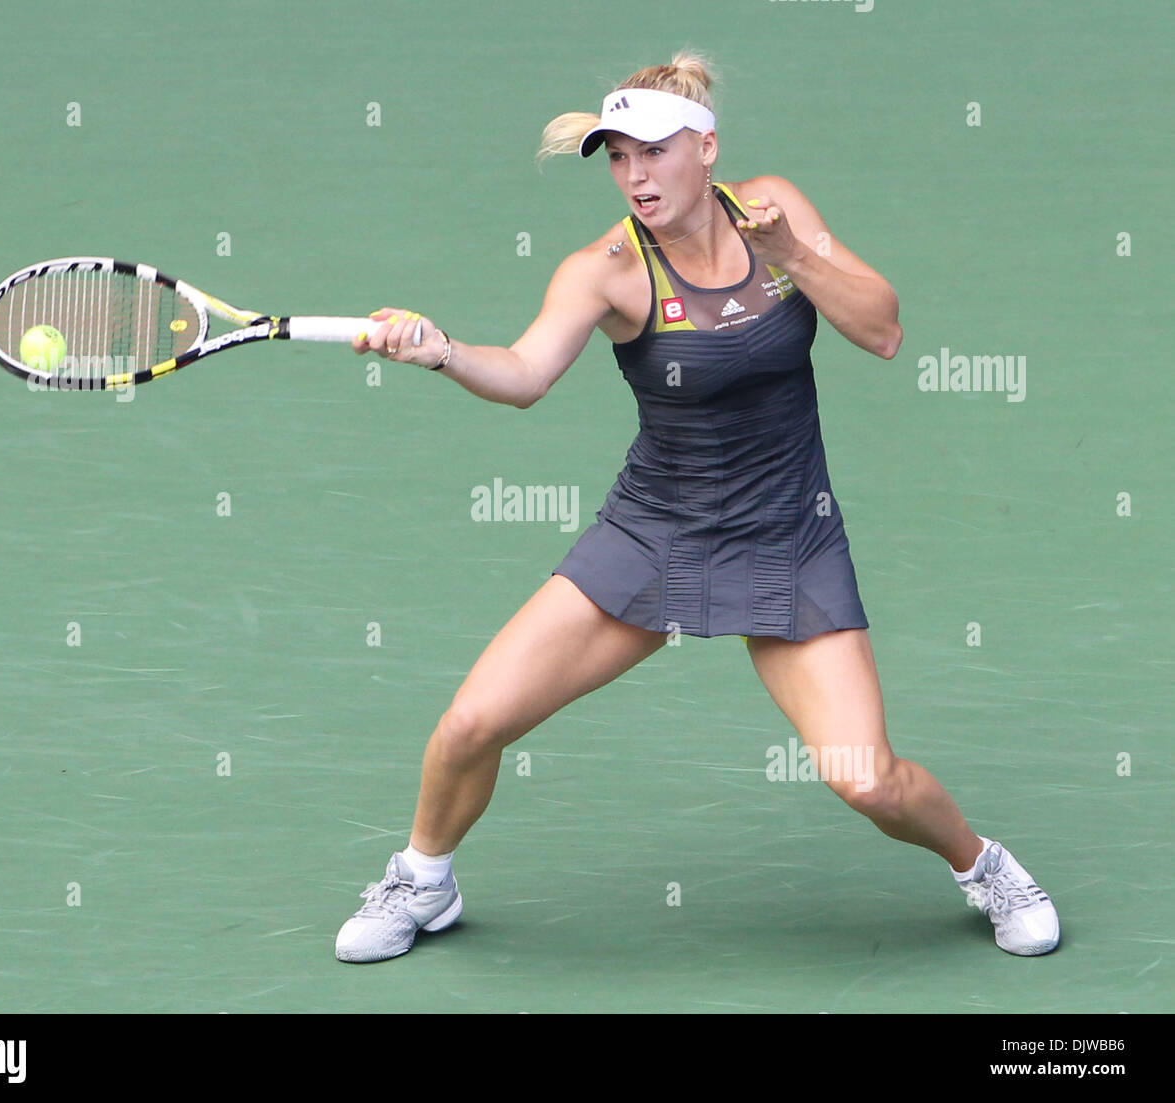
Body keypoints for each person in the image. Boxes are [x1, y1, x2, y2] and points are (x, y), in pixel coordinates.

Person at [334, 52, 1060, 964]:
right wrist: (442, 350)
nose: (635, 176)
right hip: (655, 533)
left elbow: (882, 327)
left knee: (868, 780)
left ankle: (983, 864)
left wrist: (791, 251)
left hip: (788, 537)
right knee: (472, 723)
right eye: (617, 157)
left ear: (705, 148)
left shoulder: (775, 209)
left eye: (655, 152)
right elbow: (521, 376)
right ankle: (422, 878)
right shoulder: (605, 270)